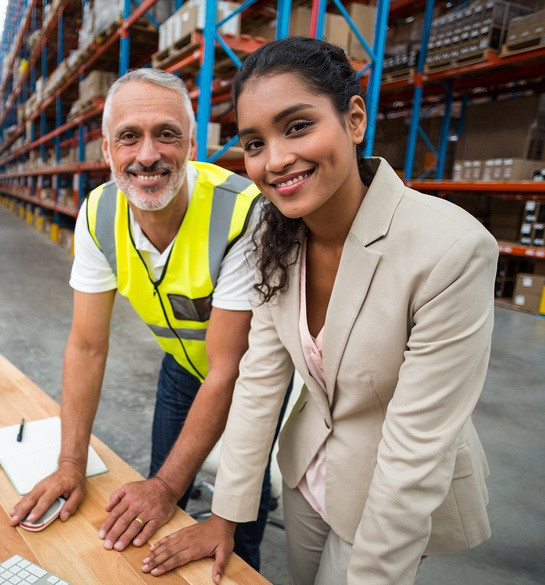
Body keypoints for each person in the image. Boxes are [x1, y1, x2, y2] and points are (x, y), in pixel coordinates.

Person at [141, 37, 498, 585]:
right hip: (307, 471)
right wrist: (227, 514)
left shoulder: (450, 250)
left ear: (354, 119)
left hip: (389, 488)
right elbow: (260, 378)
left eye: (298, 126)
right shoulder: (269, 229)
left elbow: (413, 454)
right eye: (254, 143)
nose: (275, 160)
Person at [7, 67, 282, 571]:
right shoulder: (98, 215)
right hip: (181, 366)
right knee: (161, 503)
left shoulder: (246, 214)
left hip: (253, 380)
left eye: (167, 135)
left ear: (192, 144)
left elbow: (228, 370)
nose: (148, 154)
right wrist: (71, 464)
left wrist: (164, 487)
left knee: (236, 518)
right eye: (129, 137)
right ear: (107, 150)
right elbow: (87, 346)